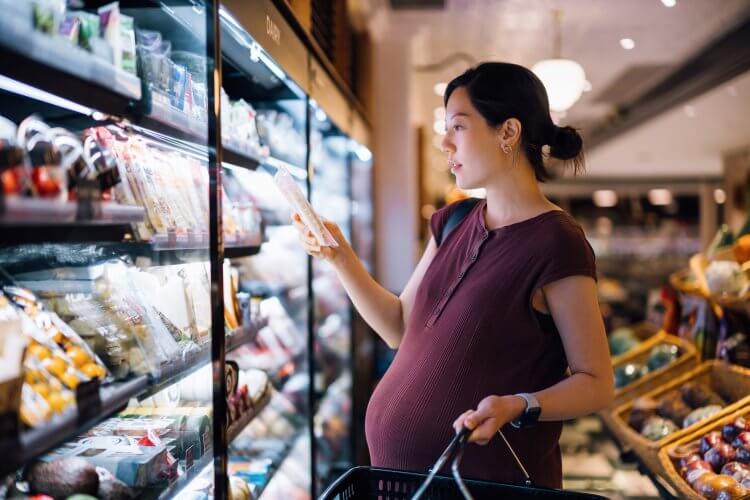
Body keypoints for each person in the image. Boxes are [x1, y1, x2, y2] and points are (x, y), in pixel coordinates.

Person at [292, 62, 613, 489]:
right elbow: (398, 328)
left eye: (458, 127)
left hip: (483, 487)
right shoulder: (454, 220)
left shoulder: (557, 243)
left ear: (508, 133)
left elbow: (596, 382)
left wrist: (519, 406)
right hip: (404, 483)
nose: (444, 142)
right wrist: (341, 257)